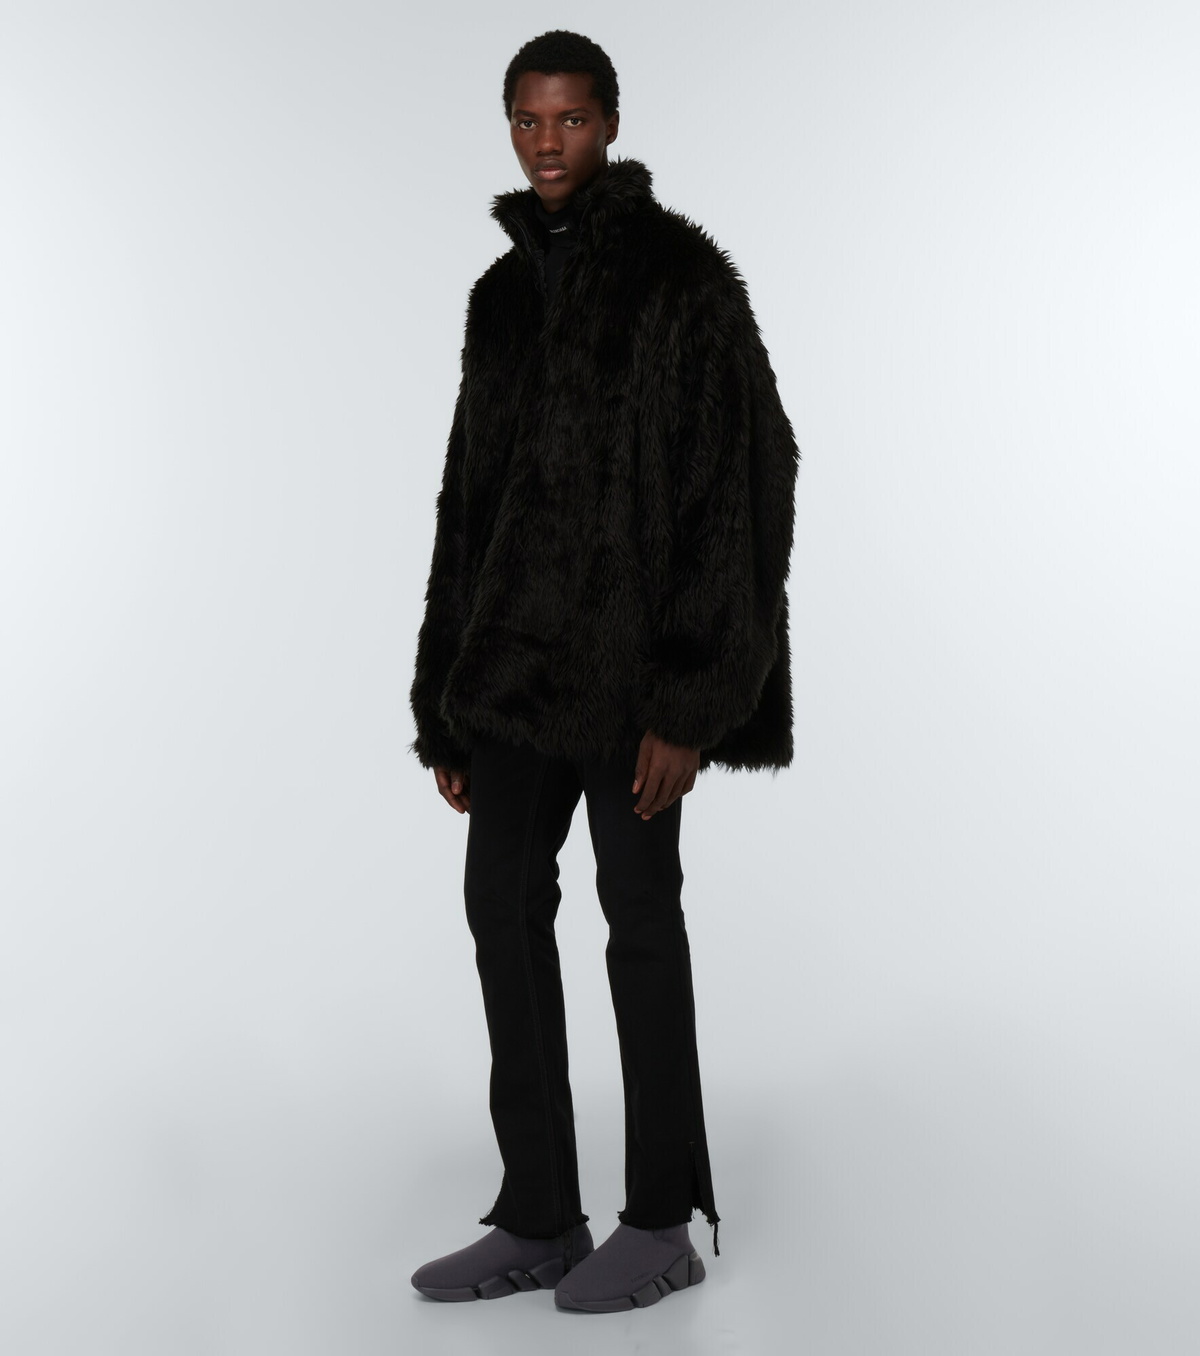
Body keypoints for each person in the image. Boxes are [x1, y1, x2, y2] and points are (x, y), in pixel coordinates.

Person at [407, 29, 800, 1314]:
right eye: (527, 120)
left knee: (641, 930)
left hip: (637, 690)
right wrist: (447, 703)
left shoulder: (684, 282)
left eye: (570, 119)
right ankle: (538, 1213)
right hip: (515, 681)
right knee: (501, 915)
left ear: (612, 123)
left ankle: (661, 1219)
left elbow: (751, 480)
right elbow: (467, 502)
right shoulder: (499, 297)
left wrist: (692, 702)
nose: (547, 142)